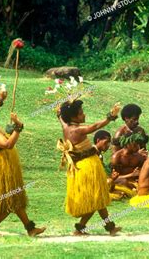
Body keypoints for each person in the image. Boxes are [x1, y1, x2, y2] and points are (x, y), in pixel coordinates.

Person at [0, 92, 45, 238]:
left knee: (14, 197)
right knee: (11, 199)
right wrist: (18, 128)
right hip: (1, 164)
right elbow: (8, 144)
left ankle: (30, 228)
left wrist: (0, 101)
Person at [57, 100, 122, 236]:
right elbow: (96, 126)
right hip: (87, 167)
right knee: (95, 199)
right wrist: (110, 116)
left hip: (80, 166)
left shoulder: (66, 127)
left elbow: (61, 118)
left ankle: (110, 227)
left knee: (97, 198)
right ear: (74, 117)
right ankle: (80, 228)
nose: (84, 114)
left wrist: (60, 111)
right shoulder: (77, 130)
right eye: (81, 113)